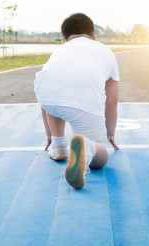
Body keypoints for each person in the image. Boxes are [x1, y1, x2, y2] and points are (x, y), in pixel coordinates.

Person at [34, 13, 119, 189]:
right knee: (103, 153)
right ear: (94, 38)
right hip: (81, 100)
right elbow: (111, 101)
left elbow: (45, 95)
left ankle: (58, 146)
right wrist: (110, 135)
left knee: (55, 93)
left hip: (46, 96)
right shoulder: (105, 50)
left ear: (64, 40)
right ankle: (88, 147)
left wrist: (49, 136)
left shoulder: (59, 52)